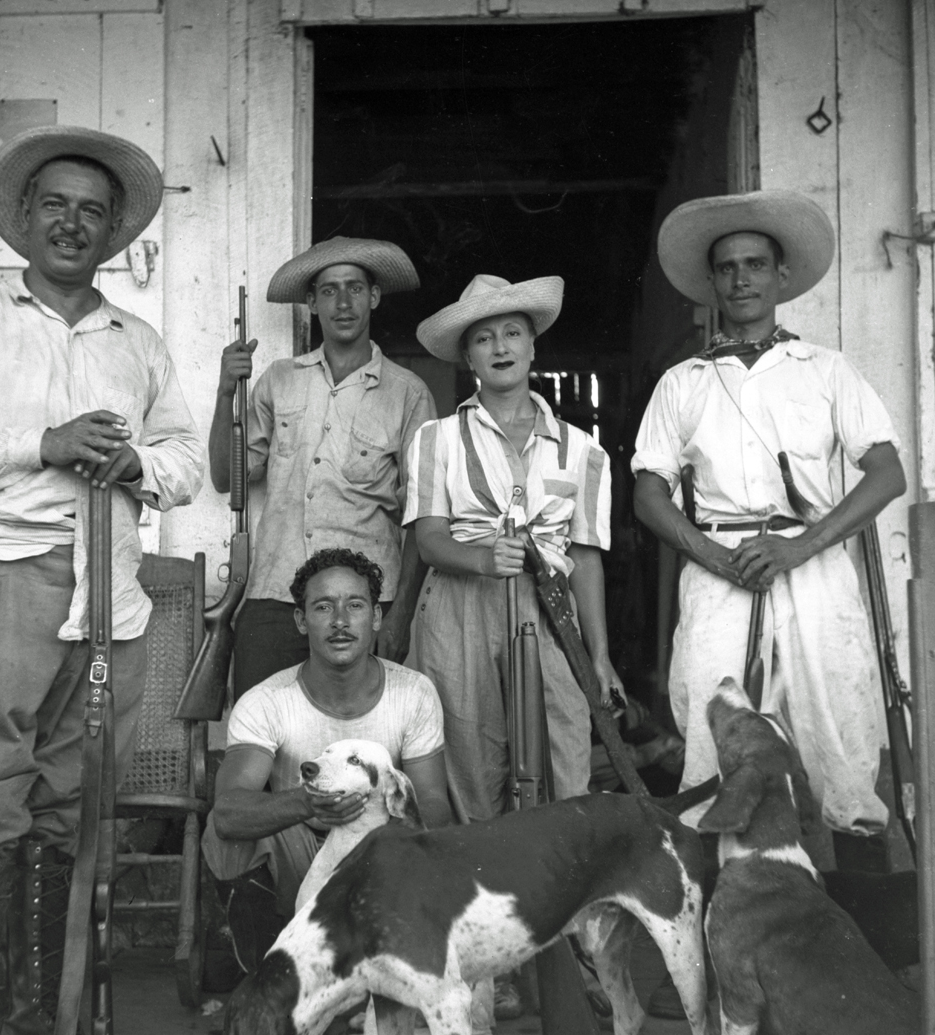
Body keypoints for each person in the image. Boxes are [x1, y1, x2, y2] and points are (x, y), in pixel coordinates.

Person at [0, 125, 205, 1035]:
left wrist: (134, 461)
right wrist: (44, 442)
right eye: (56, 207)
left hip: (109, 596)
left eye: (93, 213)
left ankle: (44, 1029)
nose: (73, 225)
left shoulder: (137, 341)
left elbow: (187, 461)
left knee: (66, 811)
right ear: (25, 219)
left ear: (114, 234)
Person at [632, 189, 906, 855]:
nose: (742, 278)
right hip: (718, 569)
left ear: (780, 276)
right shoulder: (685, 382)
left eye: (755, 264)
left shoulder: (826, 370)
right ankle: (718, 910)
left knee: (838, 723)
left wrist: (797, 548)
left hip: (812, 565)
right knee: (712, 725)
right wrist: (712, 555)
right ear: (713, 282)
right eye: (727, 268)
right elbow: (648, 492)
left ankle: (857, 916)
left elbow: (887, 472)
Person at [404, 274, 626, 826]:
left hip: (551, 612)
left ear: (533, 346)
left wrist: (598, 655)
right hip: (460, 607)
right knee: (470, 759)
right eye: (483, 338)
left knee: (562, 747)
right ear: (467, 357)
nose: (500, 347)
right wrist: (482, 559)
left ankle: (556, 893)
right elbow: (428, 539)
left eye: (512, 333)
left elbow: (588, 556)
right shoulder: (438, 438)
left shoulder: (583, 449)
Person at [210, 237, 436, 697]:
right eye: (329, 290)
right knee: (262, 736)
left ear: (374, 296)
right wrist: (223, 393)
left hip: (367, 601)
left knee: (360, 746)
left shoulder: (408, 393)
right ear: (311, 302)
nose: (344, 302)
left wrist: (400, 615)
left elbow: (424, 515)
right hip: (274, 595)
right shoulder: (278, 379)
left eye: (355, 287)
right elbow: (225, 478)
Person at [202, 547, 451, 920]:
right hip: (300, 851)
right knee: (226, 841)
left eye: (355, 605)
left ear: (377, 616)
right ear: (301, 620)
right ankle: (275, 966)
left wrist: (378, 845)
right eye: (323, 607)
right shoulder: (267, 701)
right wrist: (308, 803)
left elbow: (432, 805)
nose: (339, 621)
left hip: (378, 852)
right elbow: (227, 812)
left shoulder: (413, 693)